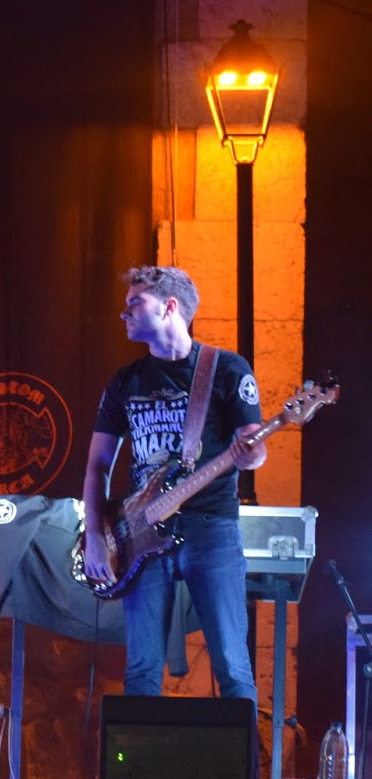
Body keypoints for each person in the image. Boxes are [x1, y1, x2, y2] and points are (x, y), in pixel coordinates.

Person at [82, 265, 266, 702]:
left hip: (211, 527)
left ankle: (243, 750)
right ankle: (138, 751)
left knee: (232, 665)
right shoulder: (125, 381)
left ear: (168, 306)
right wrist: (94, 536)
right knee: (142, 669)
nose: (124, 312)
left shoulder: (226, 369)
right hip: (141, 532)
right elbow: (97, 467)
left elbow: (255, 448)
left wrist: (252, 453)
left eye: (135, 303)